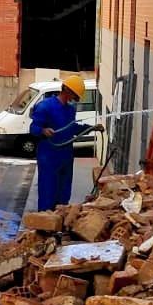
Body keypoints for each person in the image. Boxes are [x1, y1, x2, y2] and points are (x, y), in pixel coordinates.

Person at [29, 74, 98, 212]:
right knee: (48, 192)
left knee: (64, 194)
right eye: (74, 95)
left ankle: (59, 223)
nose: (75, 99)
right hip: (49, 157)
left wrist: (91, 128)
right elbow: (32, 128)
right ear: (67, 90)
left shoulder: (70, 110)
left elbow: (72, 128)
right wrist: (43, 130)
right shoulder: (45, 106)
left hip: (66, 156)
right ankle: (45, 225)